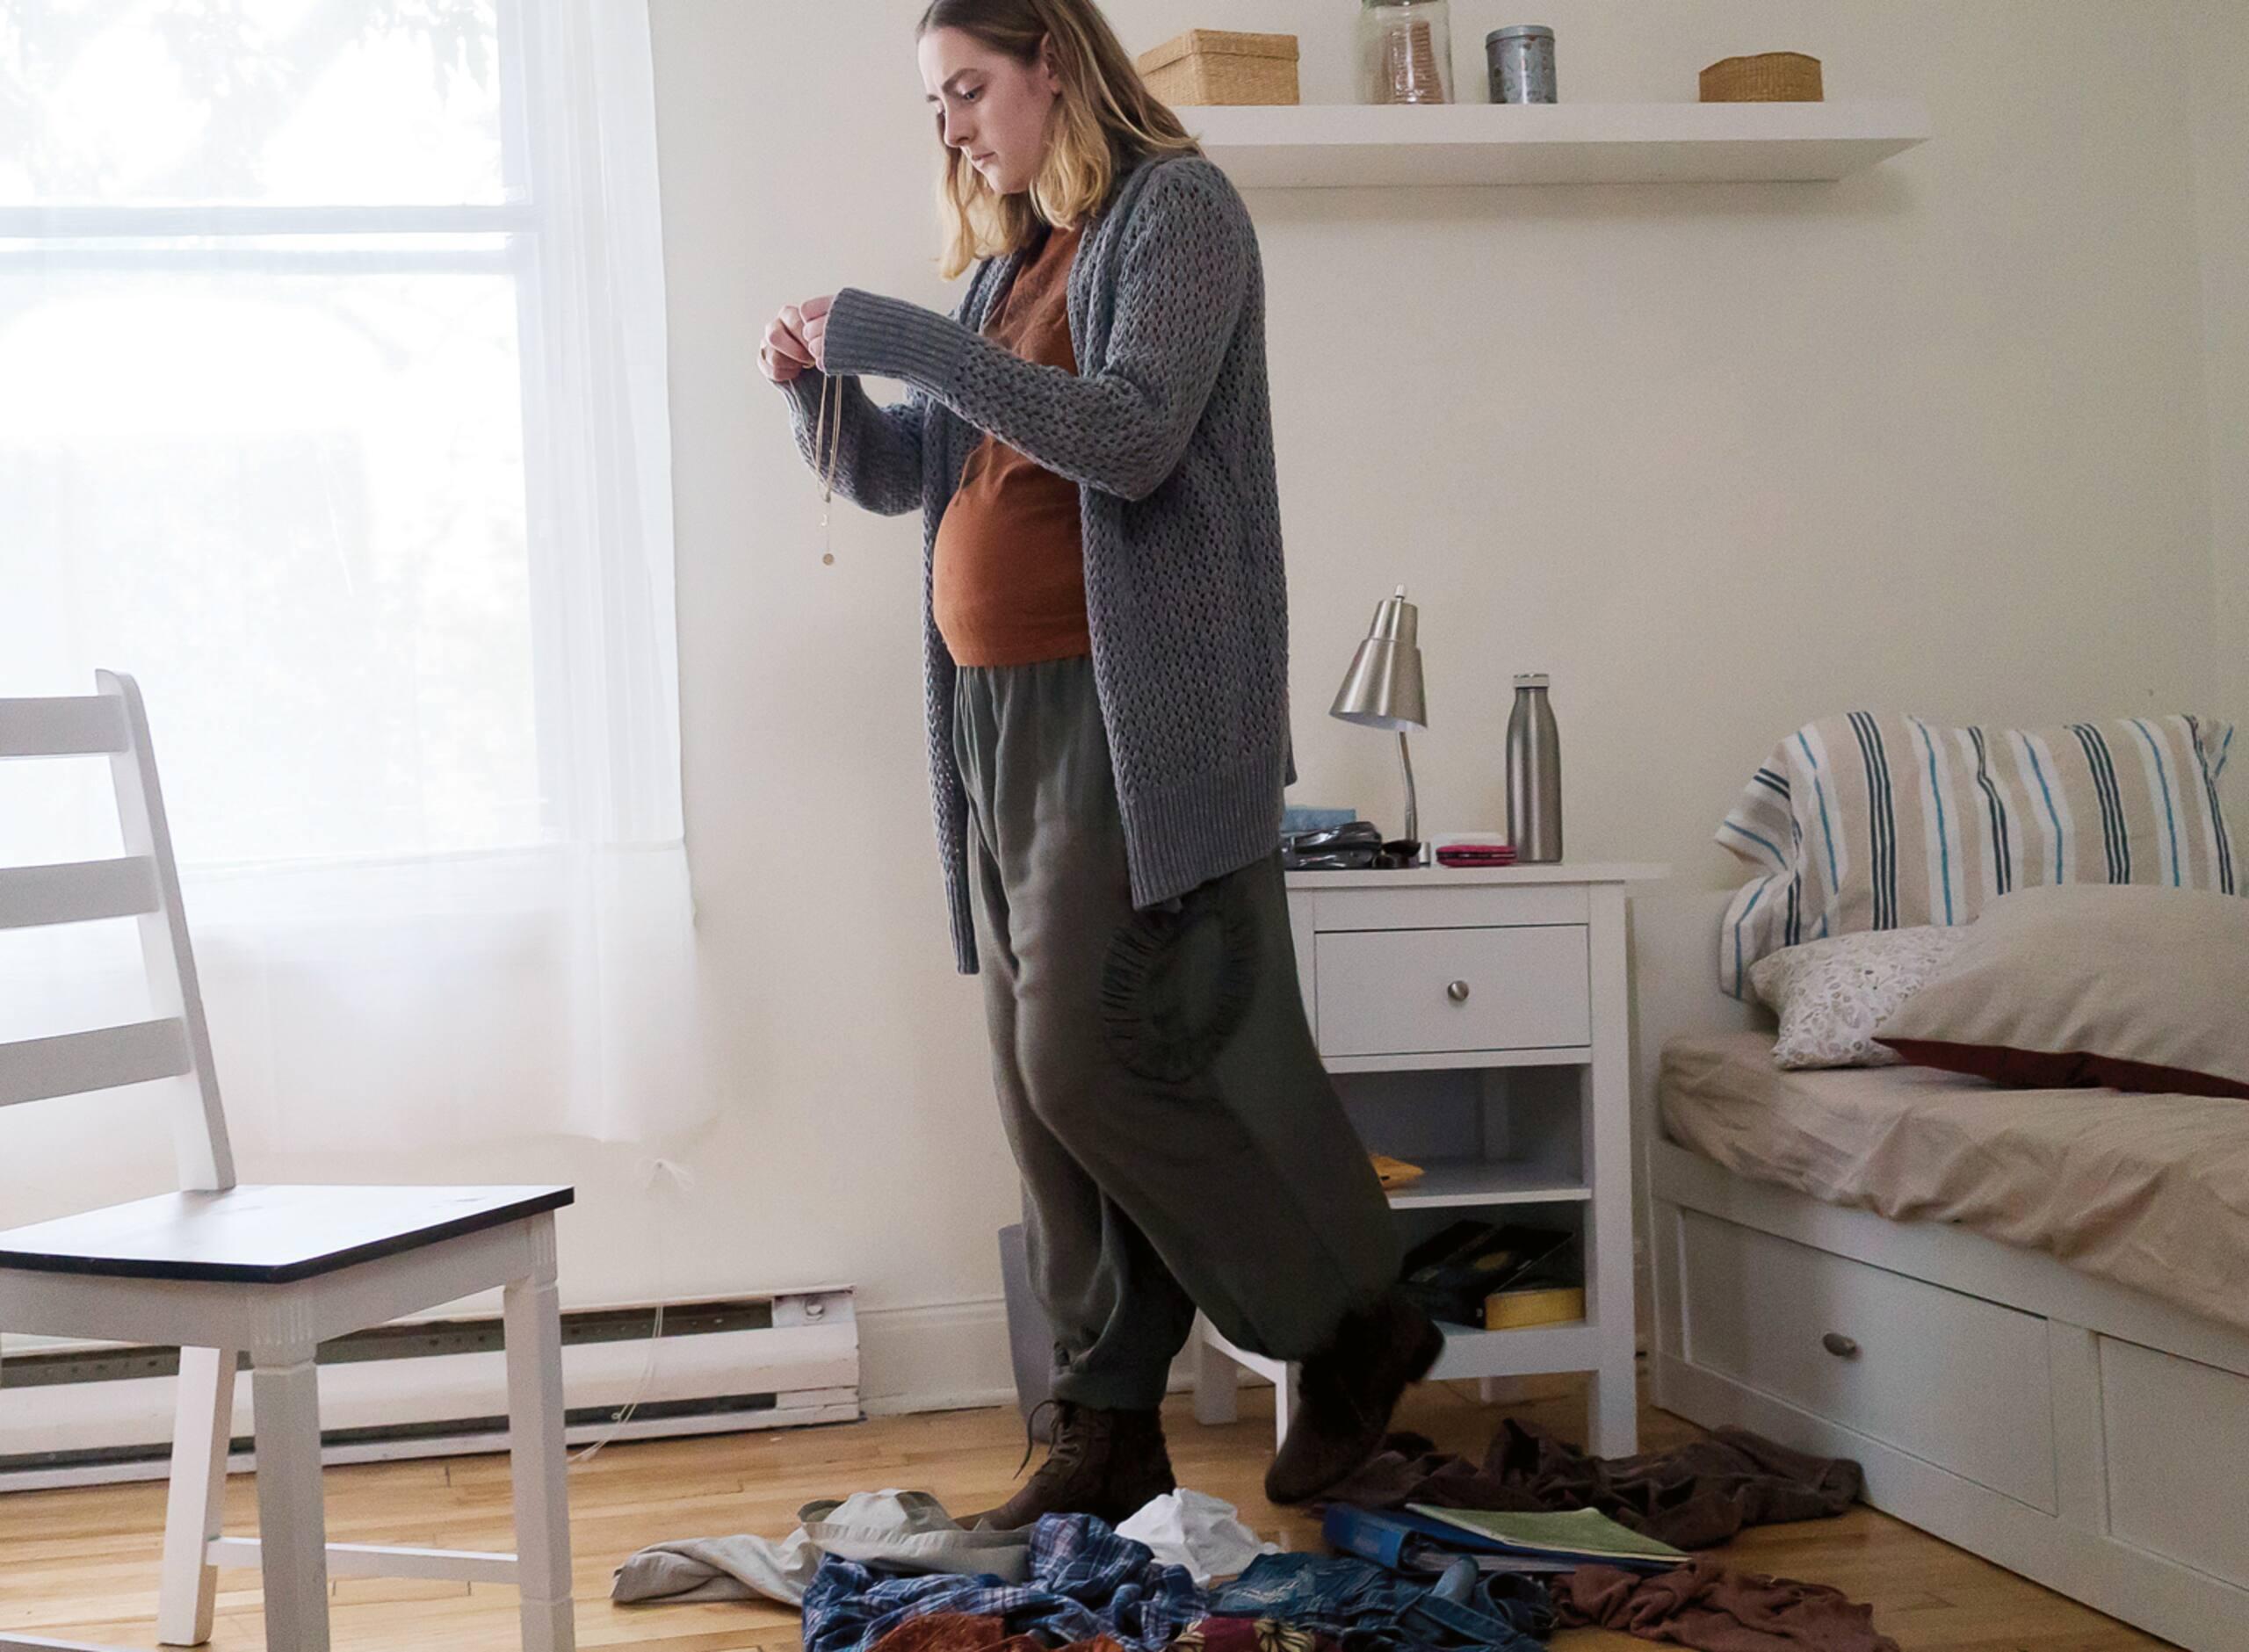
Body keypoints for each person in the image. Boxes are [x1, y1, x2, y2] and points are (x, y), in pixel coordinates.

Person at [760, 0, 1441, 1526]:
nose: (949, 124)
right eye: (934, 101)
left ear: (1054, 63)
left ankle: (1344, 1325)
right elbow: (912, 477)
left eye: (967, 88)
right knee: (1030, 1082)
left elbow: (1131, 438)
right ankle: (1104, 1418)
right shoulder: (1015, 260)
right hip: (992, 724)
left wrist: (899, 331)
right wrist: (822, 391)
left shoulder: (1177, 214)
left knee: (1090, 1059)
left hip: (1124, 716)